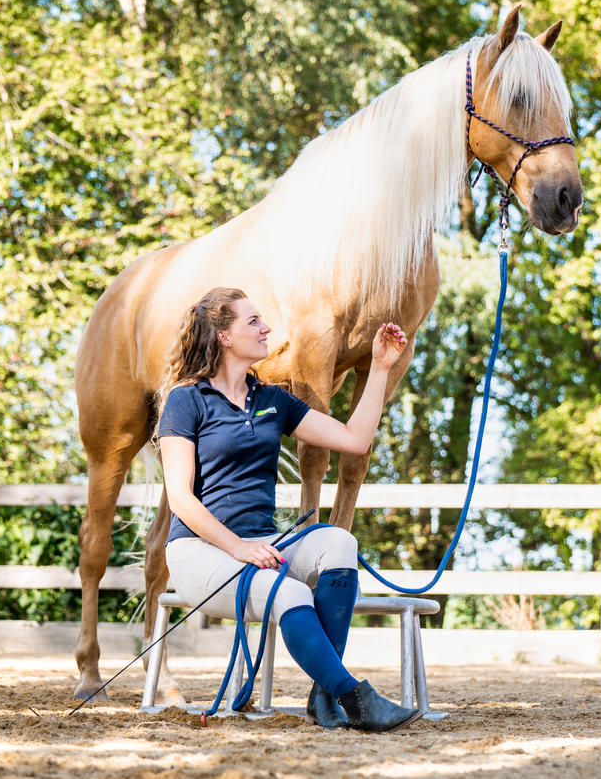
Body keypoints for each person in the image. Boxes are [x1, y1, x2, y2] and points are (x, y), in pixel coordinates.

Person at [155, 286, 421, 733]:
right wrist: (238, 547)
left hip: (260, 547)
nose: (267, 329)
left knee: (339, 541)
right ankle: (354, 697)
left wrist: (379, 368)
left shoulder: (272, 400)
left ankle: (324, 693)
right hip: (199, 551)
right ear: (223, 336)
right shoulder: (187, 400)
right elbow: (181, 498)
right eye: (253, 321)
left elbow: (355, 439)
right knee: (294, 594)